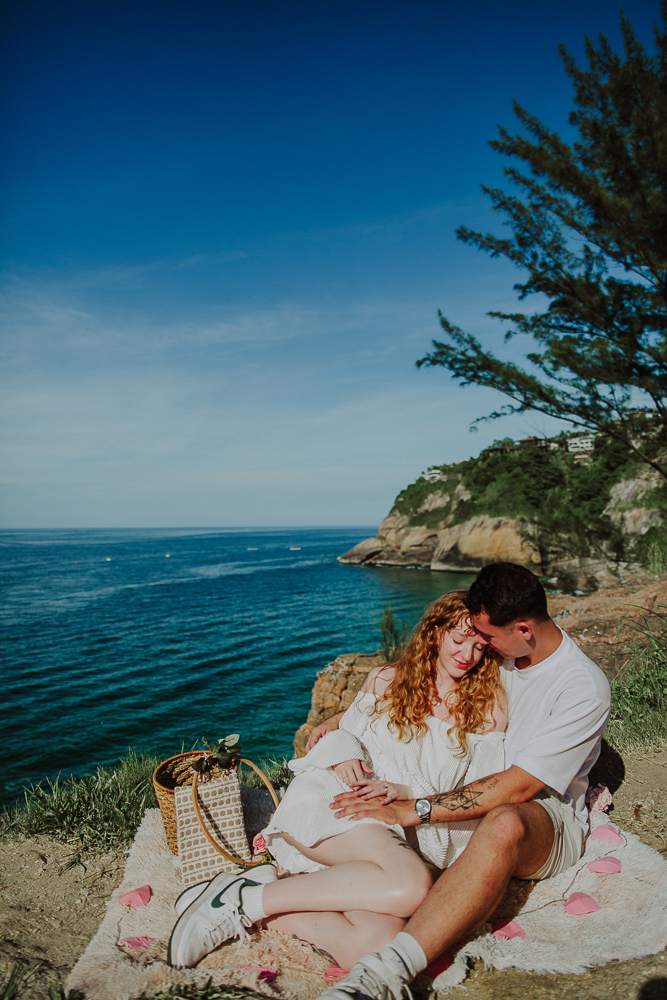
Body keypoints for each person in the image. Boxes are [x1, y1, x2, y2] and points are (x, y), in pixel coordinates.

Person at [313, 561, 612, 1000]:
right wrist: (343, 718)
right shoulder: (507, 655)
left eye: (487, 637)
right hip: (484, 791)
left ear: (524, 629)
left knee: (505, 821)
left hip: (545, 814)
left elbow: (521, 787)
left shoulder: (581, 687)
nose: (480, 647)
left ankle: (387, 973)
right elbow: (423, 682)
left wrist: (417, 808)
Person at [168, 590, 506, 970]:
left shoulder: (486, 708)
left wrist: (406, 793)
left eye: (479, 646)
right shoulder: (387, 680)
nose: (468, 655)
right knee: (410, 886)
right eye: (459, 640)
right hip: (336, 801)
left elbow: (478, 792)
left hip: (401, 828)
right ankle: (240, 900)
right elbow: (343, 735)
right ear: (435, 633)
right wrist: (346, 751)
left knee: (380, 944)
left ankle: (254, 897)